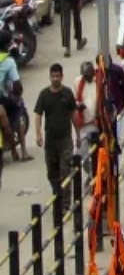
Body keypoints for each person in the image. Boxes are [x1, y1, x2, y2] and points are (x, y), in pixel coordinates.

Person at [33, 63, 78, 217]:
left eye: (58, 76)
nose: (55, 79)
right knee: (52, 173)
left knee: (66, 172)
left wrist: (78, 134)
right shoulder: (44, 95)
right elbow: (38, 115)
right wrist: (38, 134)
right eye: (53, 76)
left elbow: (73, 114)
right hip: (50, 142)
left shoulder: (67, 93)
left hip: (65, 140)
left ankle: (66, 205)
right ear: (50, 77)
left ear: (62, 76)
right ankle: (57, 197)